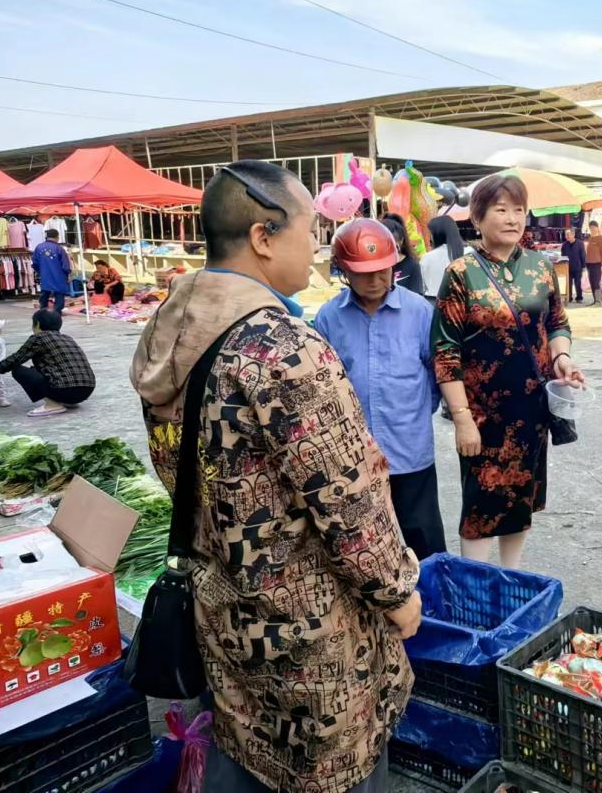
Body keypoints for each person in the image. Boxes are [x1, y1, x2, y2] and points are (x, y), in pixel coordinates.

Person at [130, 161, 420, 793]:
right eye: (310, 229)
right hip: (310, 631)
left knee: (244, 747)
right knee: (330, 767)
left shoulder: (170, 325)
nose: (316, 247)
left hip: (222, 603)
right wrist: (399, 594)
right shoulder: (282, 346)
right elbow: (348, 500)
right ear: (263, 236)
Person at [432, 174, 585, 570]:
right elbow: (445, 350)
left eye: (519, 209)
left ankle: (511, 579)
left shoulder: (540, 267)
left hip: (531, 410)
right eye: (501, 209)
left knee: (520, 501)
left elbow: (556, 323)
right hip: (482, 415)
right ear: (478, 217)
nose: (513, 218)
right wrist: (462, 419)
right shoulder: (461, 274)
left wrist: (562, 358)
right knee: (481, 507)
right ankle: (478, 588)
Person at [315, 218, 447, 561]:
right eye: (363, 272)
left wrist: (412, 416)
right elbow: (325, 385)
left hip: (410, 452)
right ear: (344, 270)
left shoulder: (420, 312)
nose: (375, 280)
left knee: (424, 540)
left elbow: (436, 378)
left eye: (382, 270)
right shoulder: (328, 318)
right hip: (353, 458)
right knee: (362, 548)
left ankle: (433, 608)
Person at [0, 310, 94, 417]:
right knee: (36, 369)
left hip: (64, 390)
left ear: (37, 324)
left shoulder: (38, 338)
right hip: (86, 391)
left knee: (19, 370)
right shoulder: (67, 338)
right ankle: (67, 401)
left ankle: (52, 405)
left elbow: (16, 358)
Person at [419, 214, 467, 301]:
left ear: (436, 235)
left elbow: (422, 286)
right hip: (465, 303)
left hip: (435, 303)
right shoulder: (470, 253)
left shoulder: (427, 258)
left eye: (431, 234)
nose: (430, 238)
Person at [381, 212, 424, 295]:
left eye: (392, 243)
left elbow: (416, 297)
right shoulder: (375, 265)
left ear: (401, 241)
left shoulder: (412, 265)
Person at [32, 229, 71, 313]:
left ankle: (43, 311)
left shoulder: (39, 247)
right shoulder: (59, 248)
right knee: (59, 293)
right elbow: (65, 264)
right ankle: (56, 312)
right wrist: (68, 274)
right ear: (57, 237)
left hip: (45, 275)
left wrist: (40, 271)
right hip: (58, 275)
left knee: (45, 292)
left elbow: (34, 262)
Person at [561, 227, 587, 304]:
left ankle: (579, 297)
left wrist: (584, 266)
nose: (567, 236)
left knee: (578, 283)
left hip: (577, 267)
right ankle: (569, 297)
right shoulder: (564, 245)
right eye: (566, 235)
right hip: (567, 267)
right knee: (568, 284)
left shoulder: (580, 243)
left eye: (568, 234)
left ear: (573, 234)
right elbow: (562, 256)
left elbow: (583, 255)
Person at [585, 220, 602, 305]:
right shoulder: (590, 238)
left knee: (597, 282)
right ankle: (595, 300)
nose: (592, 229)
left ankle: (598, 300)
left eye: (593, 227)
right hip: (589, 264)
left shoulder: (601, 238)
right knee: (592, 282)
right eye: (591, 228)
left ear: (597, 228)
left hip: (597, 264)